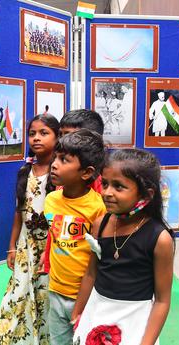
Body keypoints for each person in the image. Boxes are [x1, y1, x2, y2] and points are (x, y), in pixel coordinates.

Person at [71, 149, 175, 345]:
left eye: (119, 187)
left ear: (147, 193)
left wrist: (147, 342)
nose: (107, 193)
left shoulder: (160, 239)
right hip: (96, 312)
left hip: (133, 321)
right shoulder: (100, 224)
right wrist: (79, 310)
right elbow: (91, 274)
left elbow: (162, 300)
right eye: (105, 184)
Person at [0, 114, 60, 345]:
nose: (37, 138)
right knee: (19, 290)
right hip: (25, 245)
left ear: (57, 136)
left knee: (44, 294)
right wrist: (11, 246)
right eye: (32, 134)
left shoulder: (59, 172)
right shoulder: (25, 171)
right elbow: (19, 210)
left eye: (44, 133)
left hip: (49, 246)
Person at [41, 129, 106, 344]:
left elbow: (100, 257)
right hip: (56, 289)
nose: (55, 164)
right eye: (56, 158)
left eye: (64, 160)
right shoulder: (51, 200)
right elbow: (55, 236)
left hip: (87, 294)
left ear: (86, 173)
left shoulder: (99, 207)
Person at [40, 110, 106, 276]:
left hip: (86, 275)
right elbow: (57, 225)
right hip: (60, 272)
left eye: (69, 135)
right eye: (60, 135)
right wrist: (48, 256)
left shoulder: (101, 189)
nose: (63, 141)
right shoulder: (62, 183)